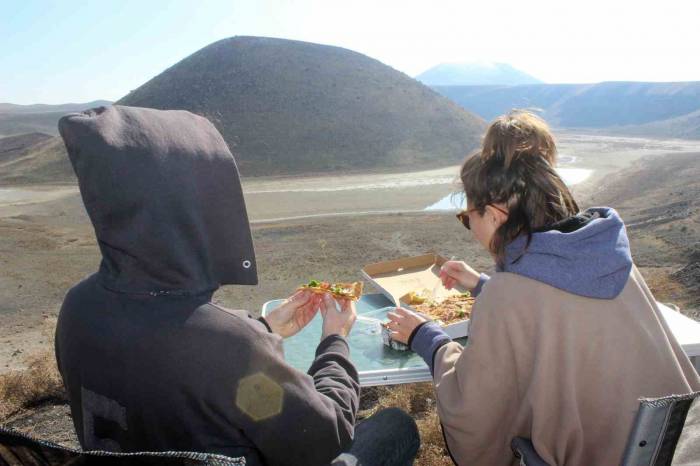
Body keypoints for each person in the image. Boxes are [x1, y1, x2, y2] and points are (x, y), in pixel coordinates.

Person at [55, 105, 418, 466]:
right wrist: (334, 340)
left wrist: (263, 329)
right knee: (395, 427)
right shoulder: (229, 349)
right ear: (193, 209)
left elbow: (172, 365)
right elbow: (326, 438)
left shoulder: (77, 309)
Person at [386, 110, 700, 465]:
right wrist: (482, 285)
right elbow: (561, 308)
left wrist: (426, 336)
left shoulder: (511, 293)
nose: (470, 228)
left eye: (467, 217)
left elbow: (475, 407)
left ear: (495, 215)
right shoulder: (606, 256)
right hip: (678, 447)